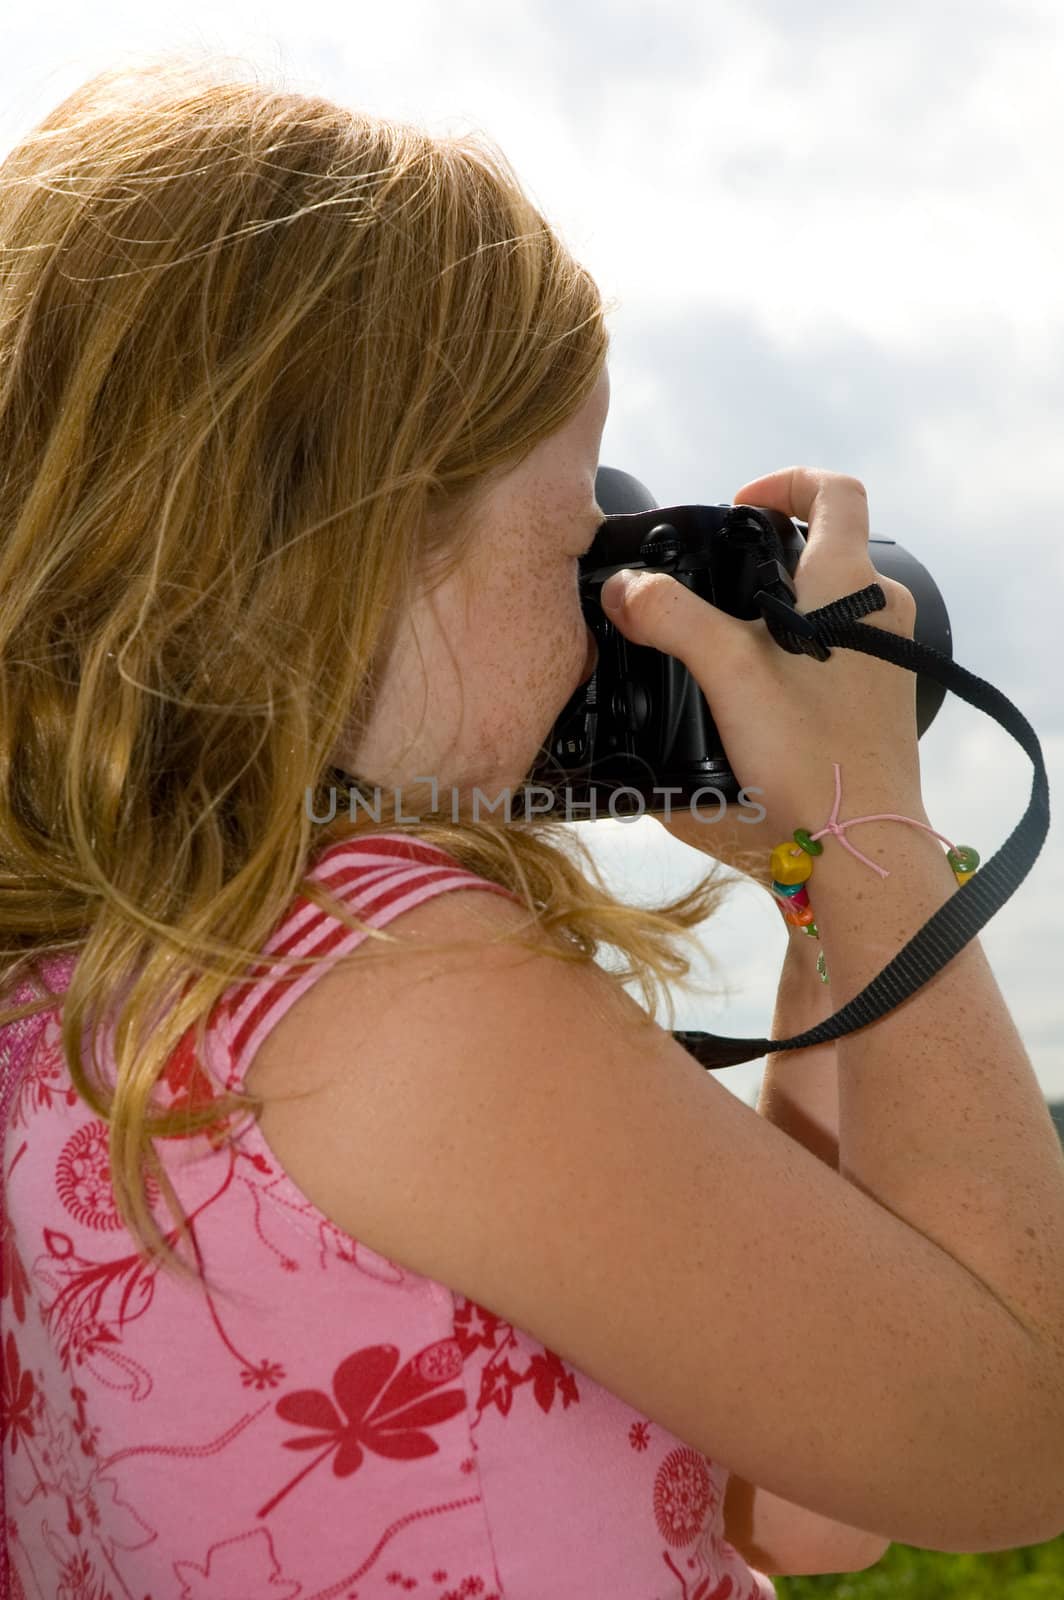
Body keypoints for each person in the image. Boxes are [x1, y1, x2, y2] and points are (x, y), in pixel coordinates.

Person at [2, 50, 1064, 1600]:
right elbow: (1010, 1431)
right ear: (363, 549)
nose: (604, 623)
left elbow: (811, 1493)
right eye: (576, 541)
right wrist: (870, 818)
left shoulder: (110, 988)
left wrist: (811, 893)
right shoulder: (397, 995)